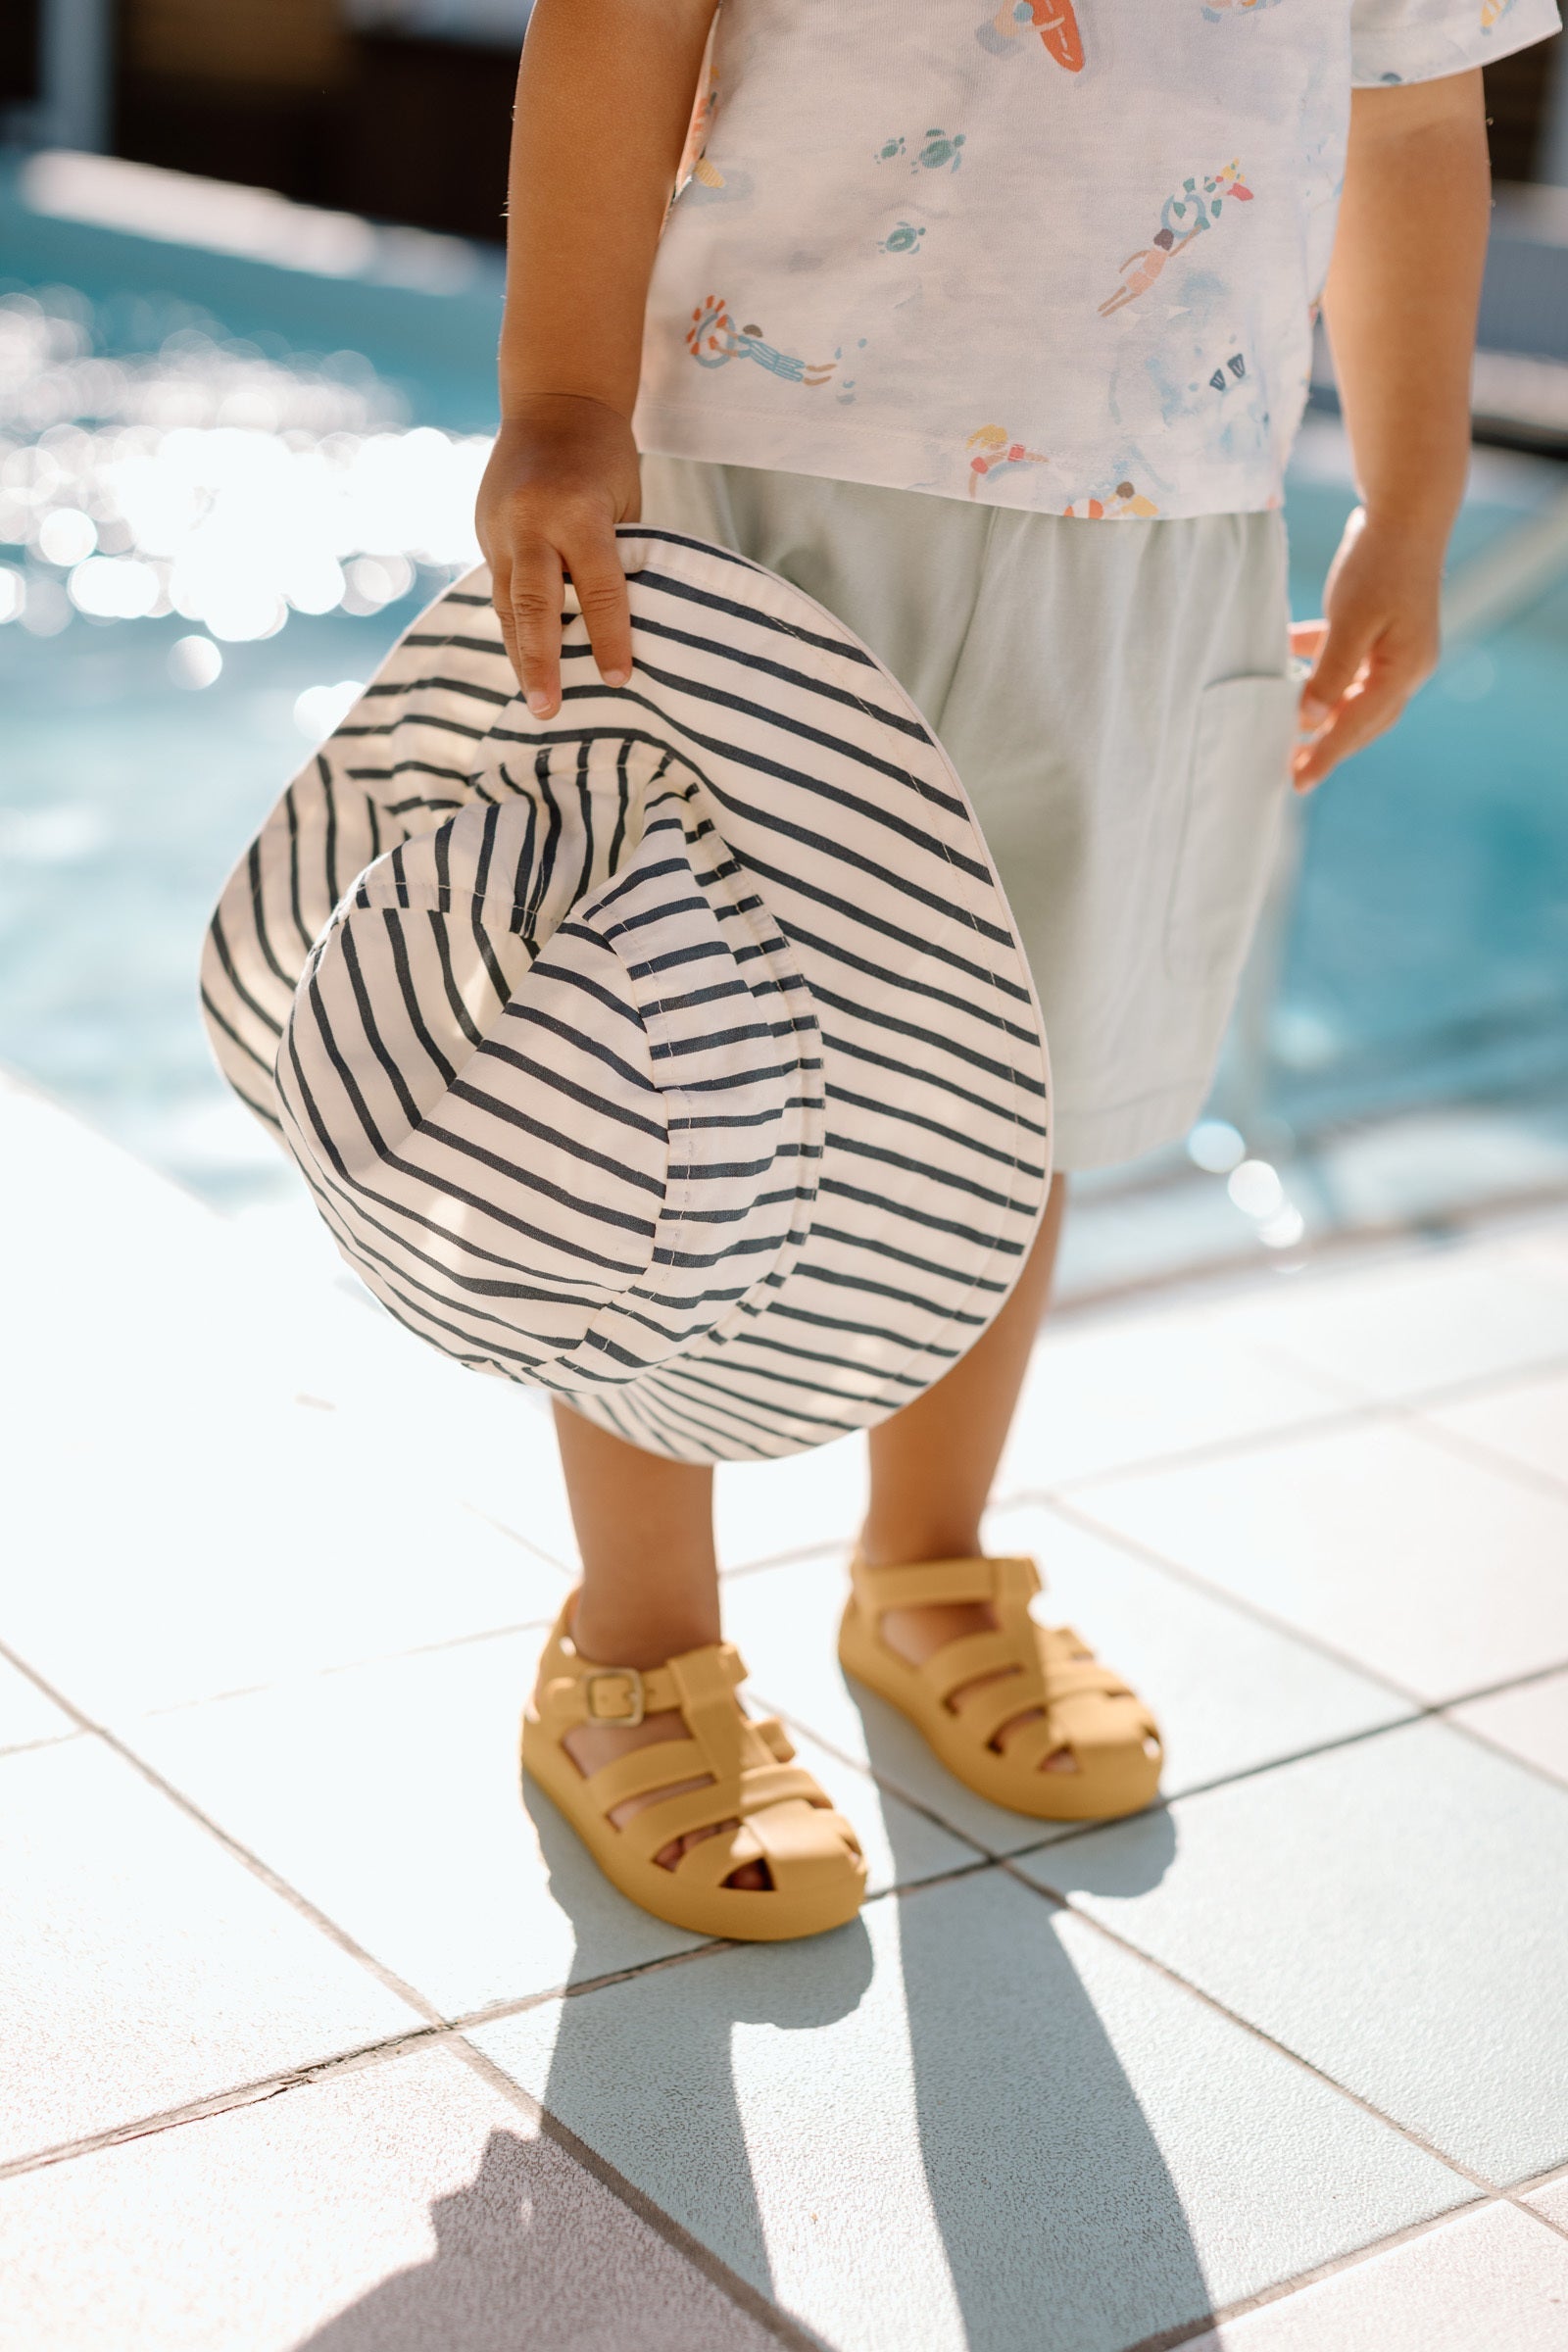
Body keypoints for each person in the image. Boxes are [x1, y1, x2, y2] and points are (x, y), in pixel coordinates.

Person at [476, 0, 1557, 1931]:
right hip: (772, 467)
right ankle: (632, 1638)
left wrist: (1405, 495)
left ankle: (925, 1556)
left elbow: (1404, 119)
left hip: (1165, 519)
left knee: (1020, 1068)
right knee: (679, 1058)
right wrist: (562, 402)